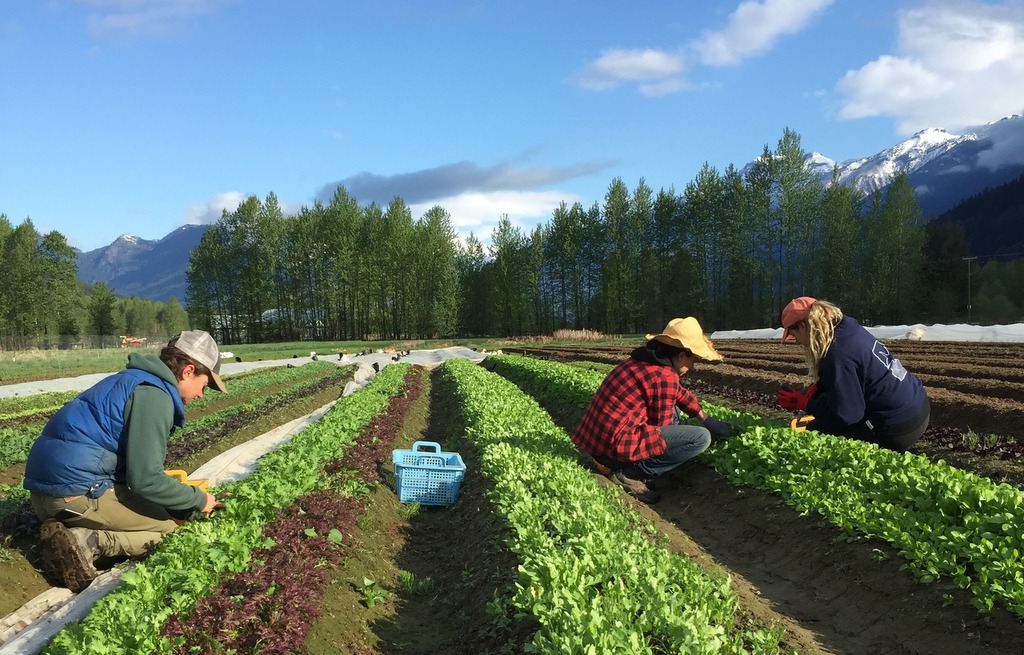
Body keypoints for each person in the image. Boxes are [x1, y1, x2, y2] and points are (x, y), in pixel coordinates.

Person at [23, 330, 227, 592]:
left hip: (43, 498)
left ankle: (76, 528)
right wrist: (199, 499)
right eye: (205, 385)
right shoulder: (156, 396)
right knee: (169, 531)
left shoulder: (131, 379)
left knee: (162, 511)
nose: (202, 395)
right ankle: (88, 541)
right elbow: (145, 480)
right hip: (76, 497)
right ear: (188, 371)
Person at [571, 317, 734, 504]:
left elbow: (679, 393)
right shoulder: (663, 376)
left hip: (598, 443)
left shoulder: (644, 361)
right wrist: (701, 430)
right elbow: (660, 430)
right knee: (700, 438)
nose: (692, 366)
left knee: (676, 411)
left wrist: (707, 419)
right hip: (613, 450)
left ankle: (628, 467)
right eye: (693, 360)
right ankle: (630, 474)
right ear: (681, 356)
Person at [777, 297, 930, 451]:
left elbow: (847, 415)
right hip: (919, 407)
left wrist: (804, 404)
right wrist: (819, 388)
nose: (796, 341)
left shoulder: (836, 355)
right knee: (826, 401)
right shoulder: (848, 327)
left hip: (899, 429)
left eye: (793, 334)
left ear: (803, 326)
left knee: (816, 431)